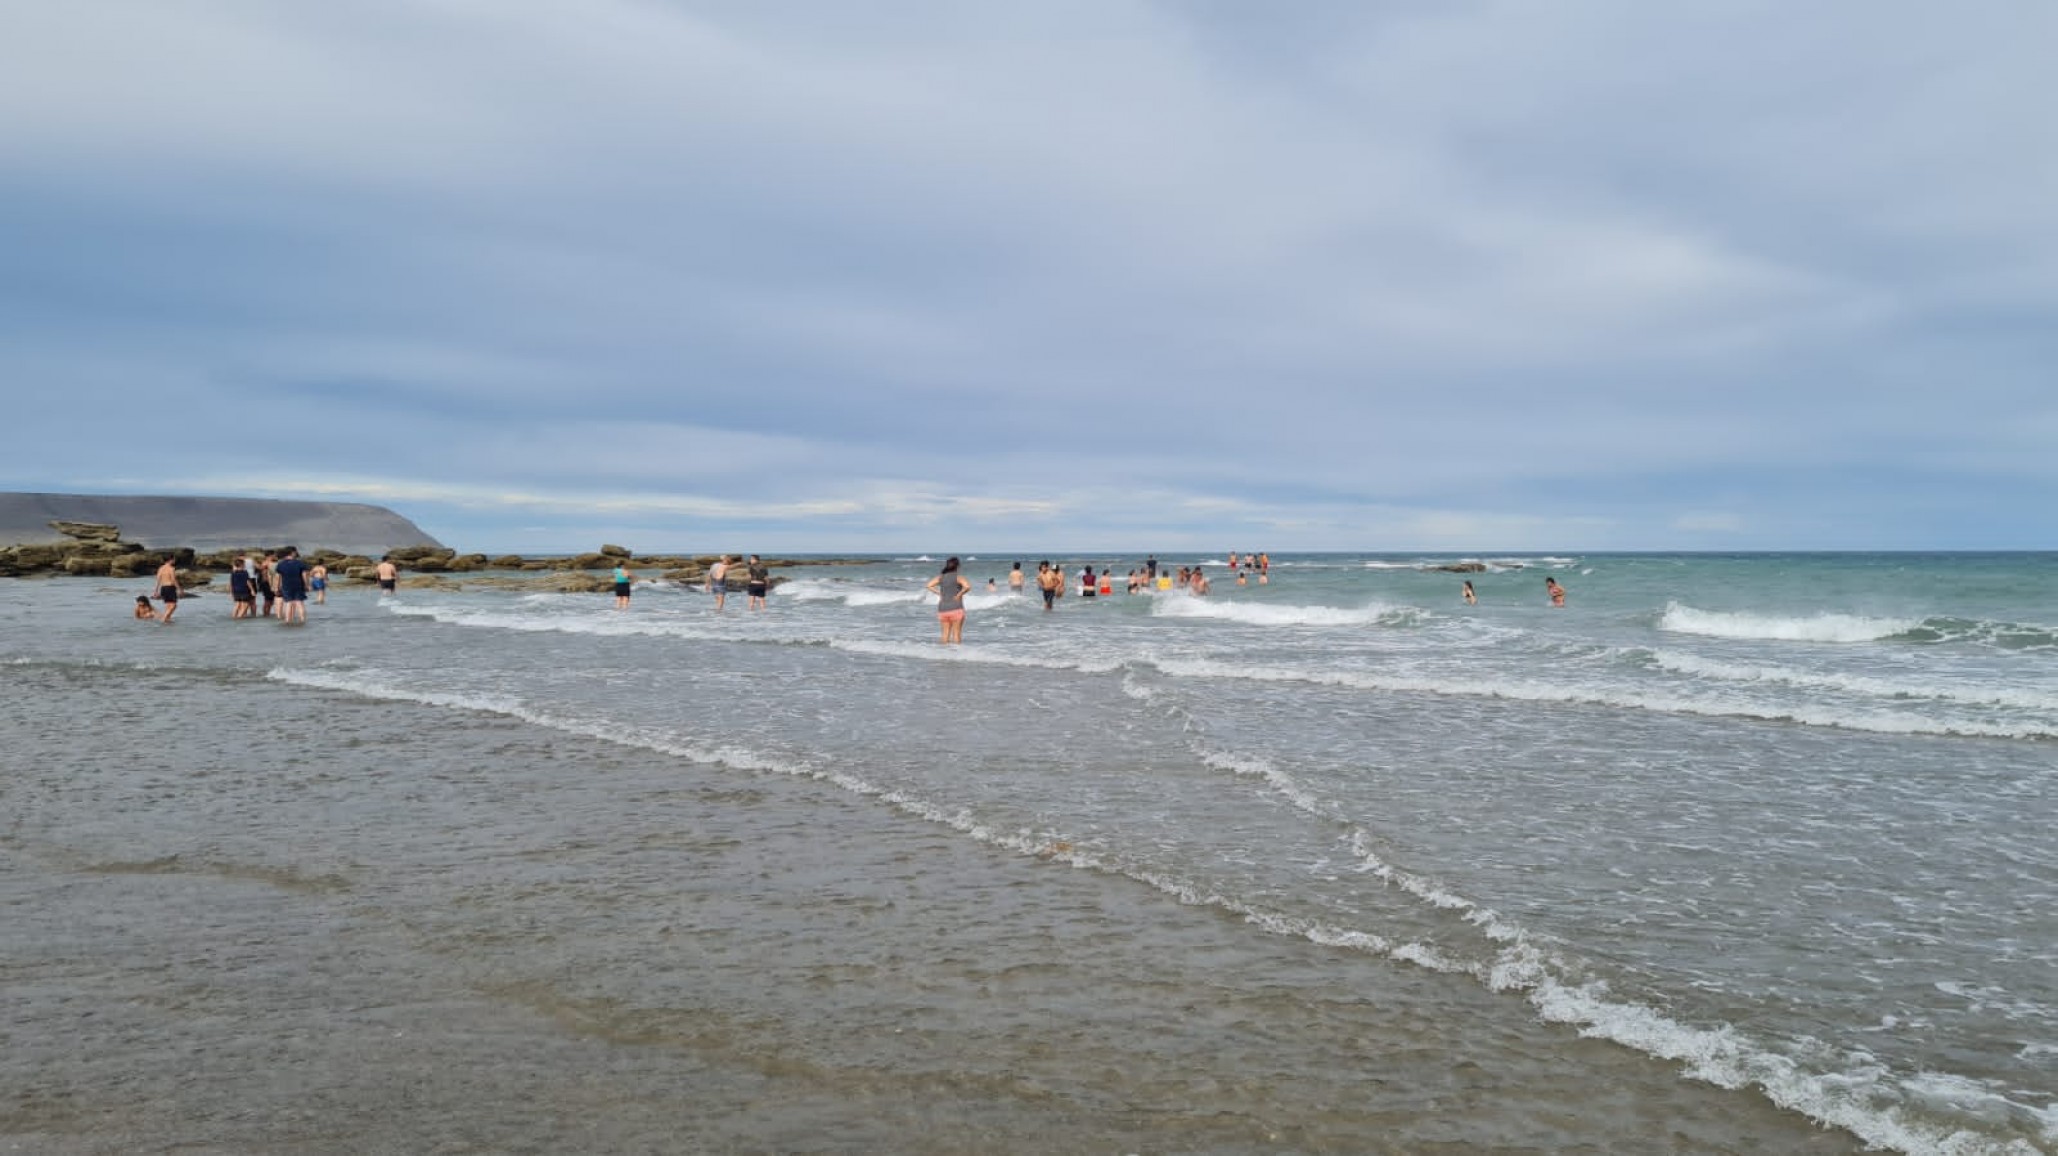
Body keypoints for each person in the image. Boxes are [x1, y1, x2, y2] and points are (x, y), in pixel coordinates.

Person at [925, 555, 970, 644]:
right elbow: (967, 586)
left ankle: (943, 654)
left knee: (945, 634)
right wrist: (959, 594)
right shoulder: (958, 577)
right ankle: (956, 656)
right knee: (956, 634)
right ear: (957, 566)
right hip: (956, 608)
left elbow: (928, 585)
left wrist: (939, 593)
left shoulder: (941, 577)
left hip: (943, 608)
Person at [275, 547, 309, 625]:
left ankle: (288, 620)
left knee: (288, 603)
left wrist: (276, 588)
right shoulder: (300, 563)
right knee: (299, 603)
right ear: (292, 553)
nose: (296, 553)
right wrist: (307, 585)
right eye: (295, 552)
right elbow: (304, 575)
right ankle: (302, 620)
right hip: (298, 585)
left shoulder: (281, 564)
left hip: (286, 586)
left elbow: (277, 577)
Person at [153, 556, 180, 623]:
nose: (174, 561)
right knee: (174, 605)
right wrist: (179, 589)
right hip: (170, 587)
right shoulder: (171, 568)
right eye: (174, 559)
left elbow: (158, 580)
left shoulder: (161, 568)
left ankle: (168, 620)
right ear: (170, 560)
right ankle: (164, 618)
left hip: (163, 588)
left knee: (168, 606)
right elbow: (173, 579)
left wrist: (155, 591)